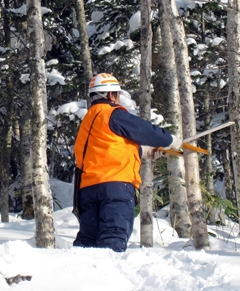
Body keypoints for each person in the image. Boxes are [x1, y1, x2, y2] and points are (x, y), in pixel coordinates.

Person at [73, 73, 182, 252]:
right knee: (113, 237)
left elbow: (106, 148)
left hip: (88, 191)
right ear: (110, 95)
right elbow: (144, 130)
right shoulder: (113, 114)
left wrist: (143, 152)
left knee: (88, 241)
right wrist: (169, 139)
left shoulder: (89, 121)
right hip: (115, 187)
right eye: (117, 94)